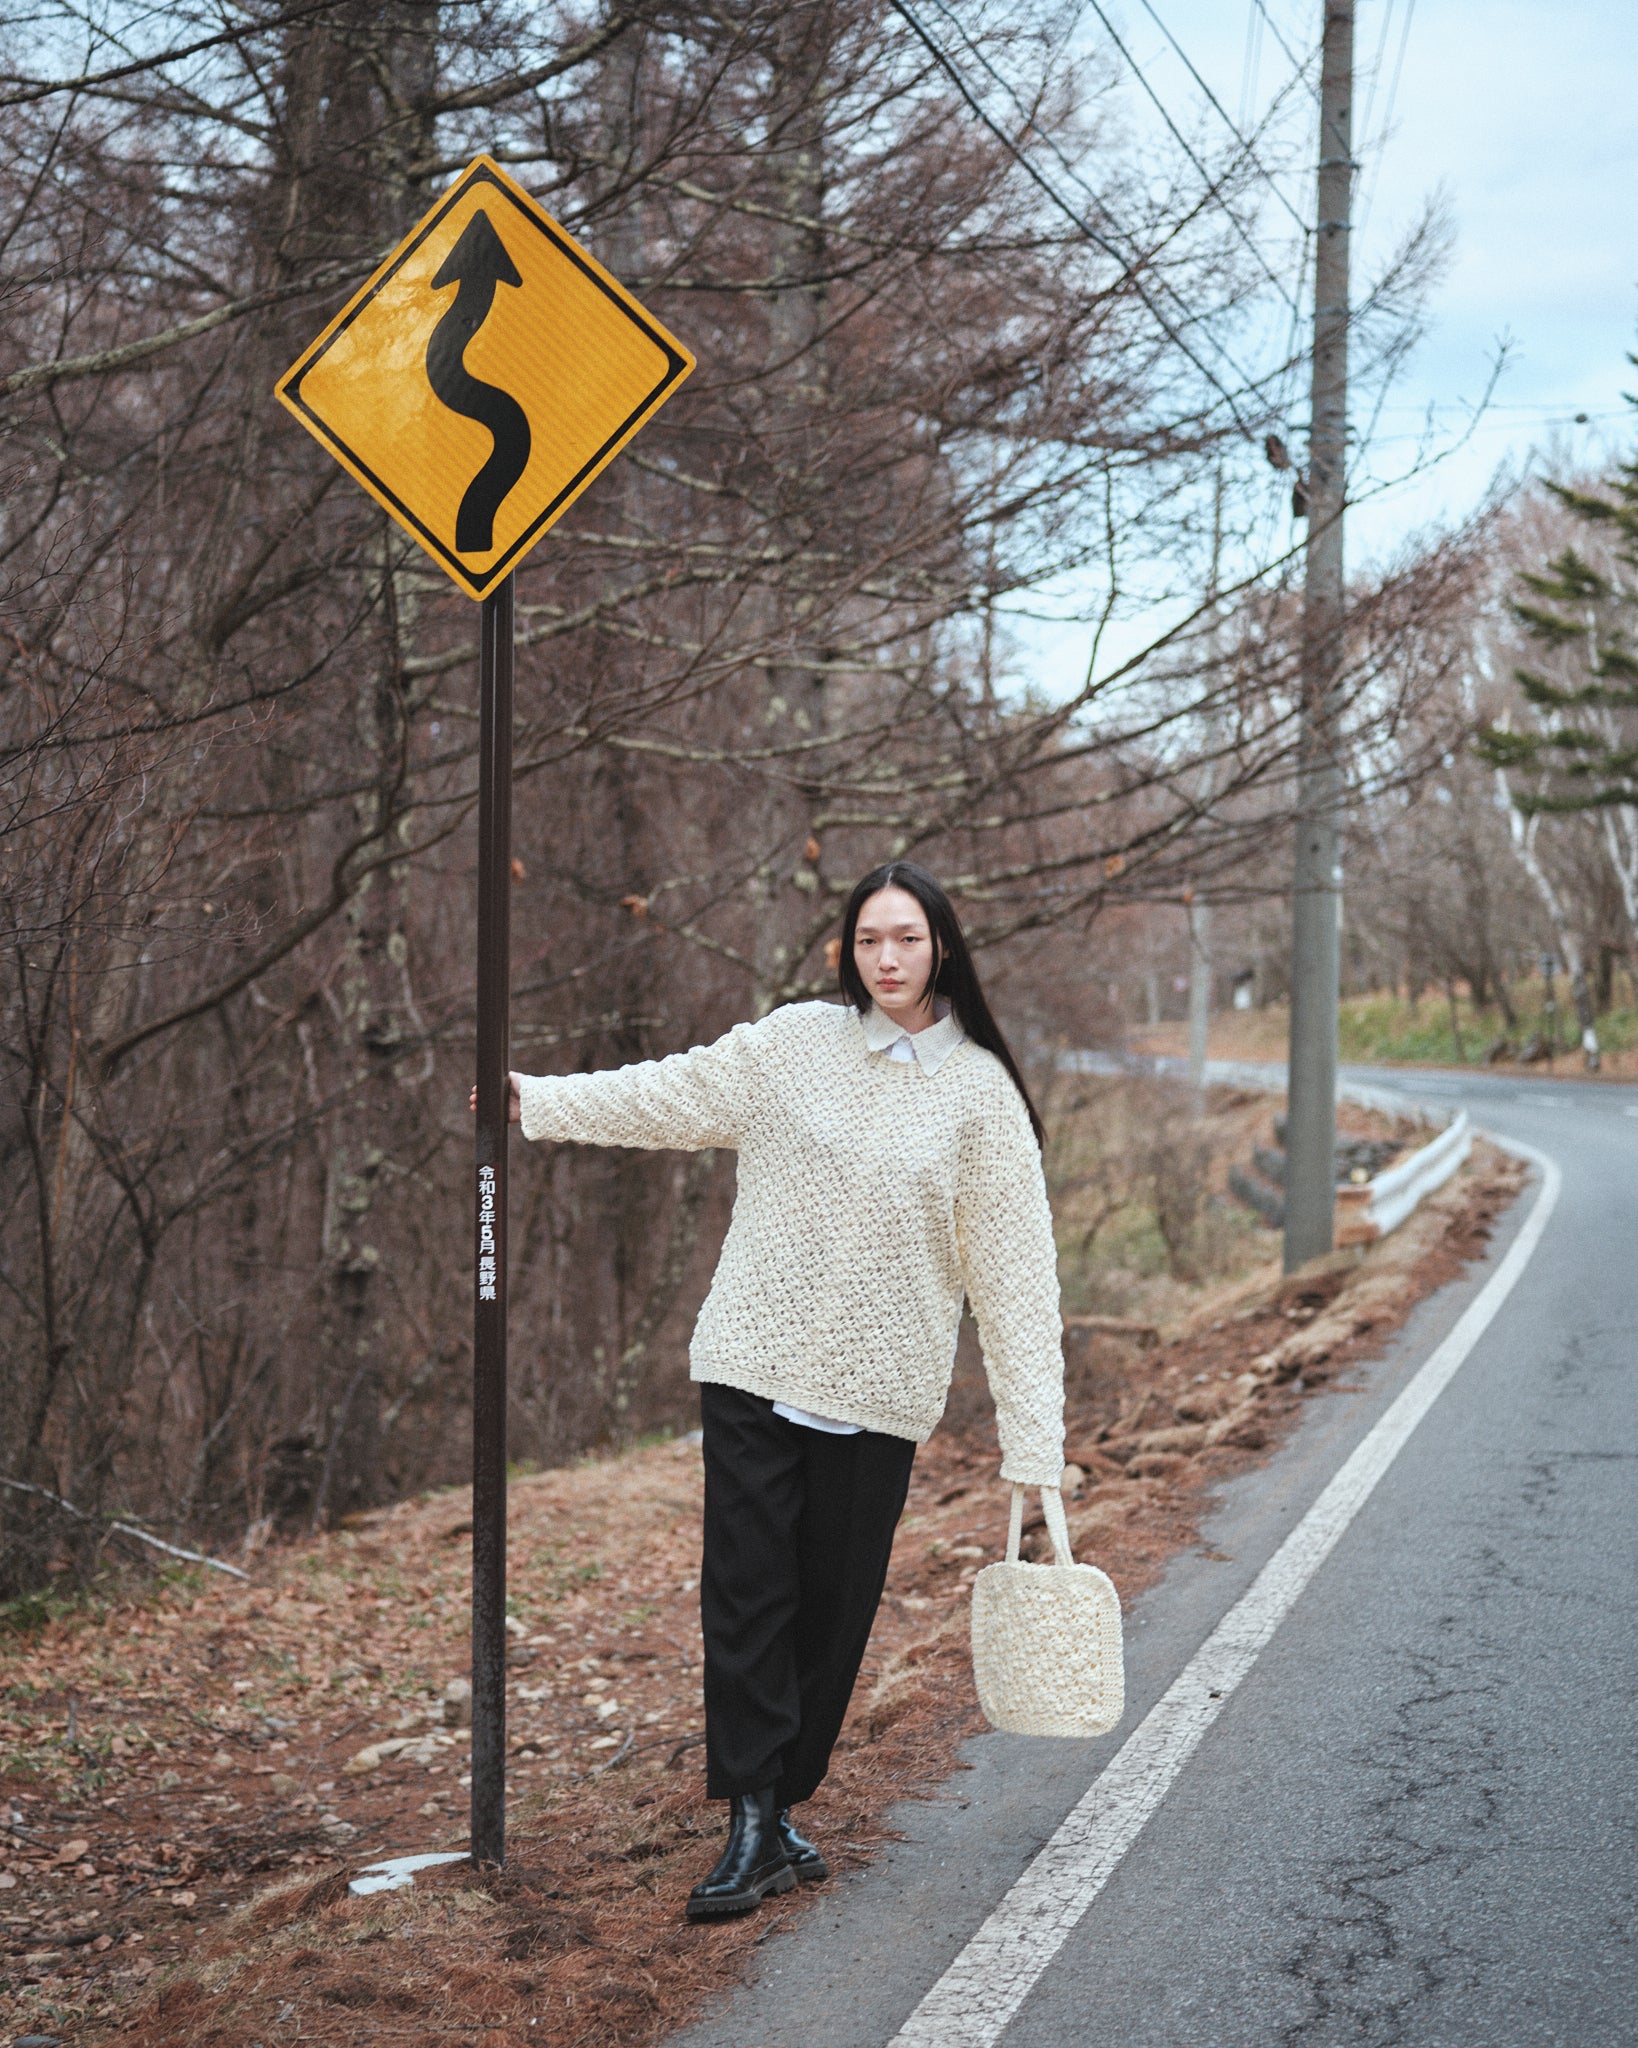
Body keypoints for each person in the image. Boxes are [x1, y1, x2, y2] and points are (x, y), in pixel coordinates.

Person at [484, 862, 1066, 1921]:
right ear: (846, 950)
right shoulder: (794, 1042)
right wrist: (537, 1100)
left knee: (833, 1614)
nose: (887, 960)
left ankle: (784, 1800)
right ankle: (751, 1819)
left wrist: (1035, 1442)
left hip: (878, 1392)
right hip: (753, 1363)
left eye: (908, 939)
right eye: (869, 941)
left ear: (942, 947)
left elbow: (1018, 1283)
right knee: (747, 1596)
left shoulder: (982, 1095)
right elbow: (669, 1093)